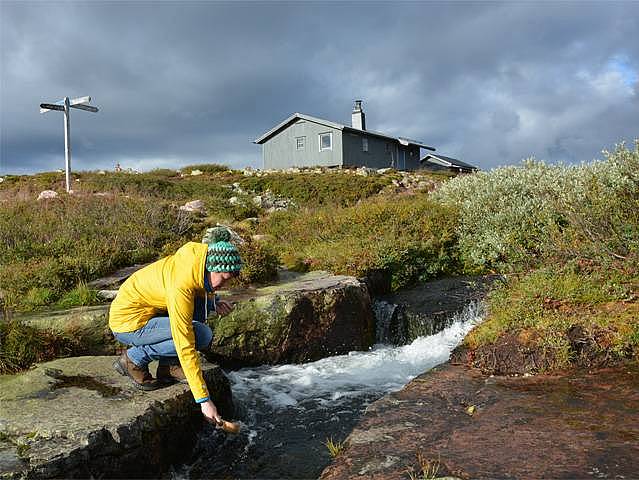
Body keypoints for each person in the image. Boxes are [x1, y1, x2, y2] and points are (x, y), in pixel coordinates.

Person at [108, 226, 242, 425]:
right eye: (223, 279)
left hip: (149, 312)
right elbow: (184, 341)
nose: (225, 285)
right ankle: (134, 359)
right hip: (129, 323)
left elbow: (200, 287)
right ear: (212, 268)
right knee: (201, 335)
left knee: (199, 320)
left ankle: (168, 365)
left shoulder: (199, 261)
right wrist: (204, 400)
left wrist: (213, 302)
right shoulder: (181, 284)